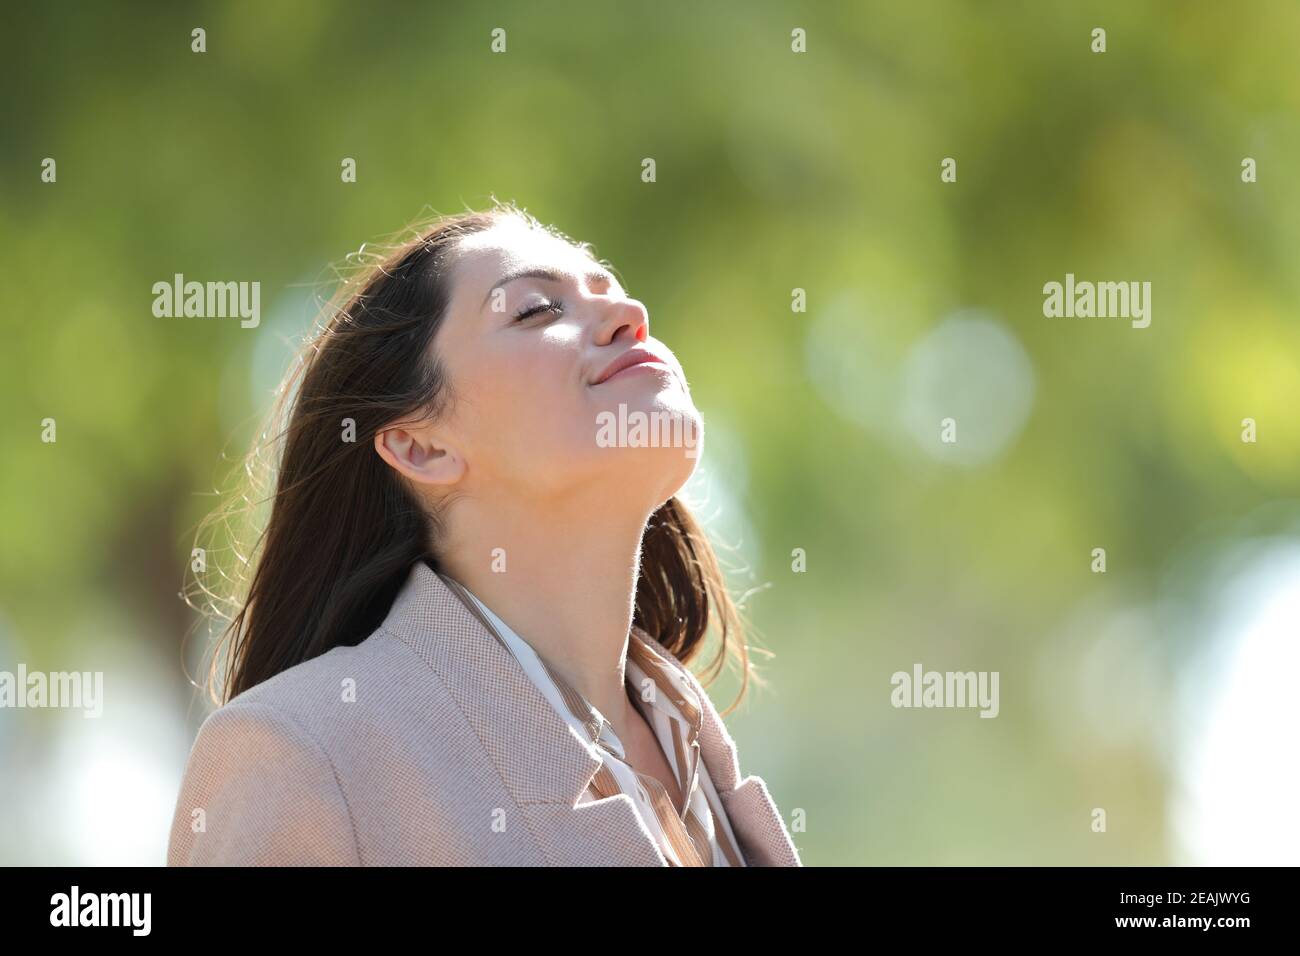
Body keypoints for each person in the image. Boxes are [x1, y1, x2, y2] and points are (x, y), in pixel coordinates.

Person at [167, 201, 802, 866]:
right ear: (421, 447)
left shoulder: (692, 753)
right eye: (535, 310)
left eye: (609, 289)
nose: (628, 314)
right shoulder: (302, 755)